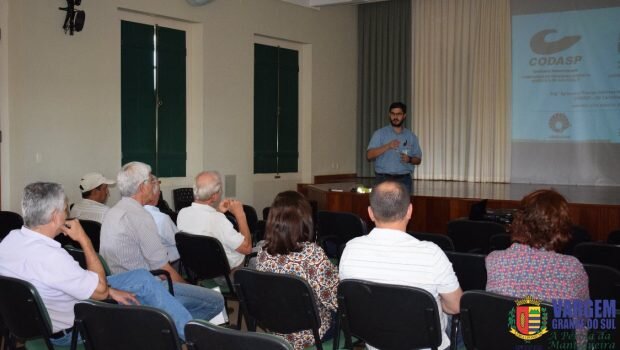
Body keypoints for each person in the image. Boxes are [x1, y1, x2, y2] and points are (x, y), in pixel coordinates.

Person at [0, 182, 197, 343]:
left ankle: (184, 331)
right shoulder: (52, 257)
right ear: (54, 216)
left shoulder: (10, 240)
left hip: (32, 322)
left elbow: (64, 282)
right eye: (65, 208)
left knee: (141, 277)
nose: (68, 212)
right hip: (72, 332)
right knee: (142, 315)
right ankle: (193, 337)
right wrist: (84, 240)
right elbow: (100, 292)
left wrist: (110, 290)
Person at [339, 181, 461, 350]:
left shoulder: (350, 249)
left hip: (375, 342)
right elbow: (456, 306)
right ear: (410, 211)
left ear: (370, 213)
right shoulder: (431, 254)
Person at [100, 162, 224, 323]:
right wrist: (187, 286)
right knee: (216, 301)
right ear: (142, 186)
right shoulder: (141, 216)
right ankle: (174, 331)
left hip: (118, 285)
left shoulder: (111, 212)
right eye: (152, 181)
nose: (154, 185)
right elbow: (162, 269)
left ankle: (170, 326)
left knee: (193, 299)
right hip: (147, 289)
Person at [256, 191, 338, 350]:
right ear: (305, 220)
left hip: (274, 329)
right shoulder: (312, 254)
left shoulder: (263, 252)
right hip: (311, 334)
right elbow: (334, 300)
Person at [486, 189, 589, 302]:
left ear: (519, 220)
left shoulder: (494, 260)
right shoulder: (573, 268)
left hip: (508, 320)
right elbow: (582, 316)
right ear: (562, 227)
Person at [176, 171, 252, 270]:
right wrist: (240, 214)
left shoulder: (182, 213)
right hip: (229, 273)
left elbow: (205, 225)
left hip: (199, 269)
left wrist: (218, 212)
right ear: (214, 196)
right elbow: (247, 249)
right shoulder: (218, 220)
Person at [367, 102, 422, 194]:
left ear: (404, 115)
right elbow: (369, 155)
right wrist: (387, 146)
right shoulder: (379, 134)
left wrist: (410, 159)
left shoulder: (411, 136)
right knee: (381, 208)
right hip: (383, 179)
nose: (395, 117)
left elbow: (418, 159)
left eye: (398, 114)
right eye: (393, 114)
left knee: (404, 208)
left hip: (404, 180)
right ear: (389, 115)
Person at [144, 176, 181, 270]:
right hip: (169, 265)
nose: (159, 193)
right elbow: (178, 242)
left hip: (145, 264)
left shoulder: (132, 213)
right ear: (154, 195)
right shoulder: (162, 219)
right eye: (159, 191)